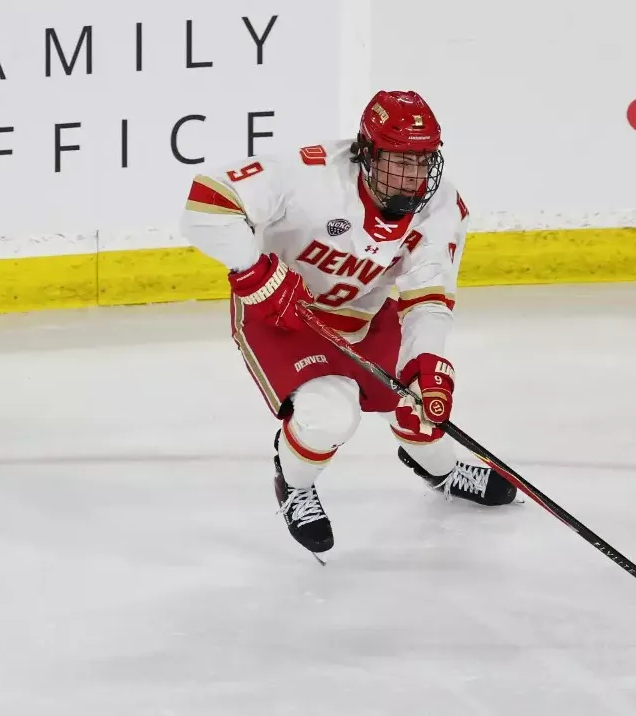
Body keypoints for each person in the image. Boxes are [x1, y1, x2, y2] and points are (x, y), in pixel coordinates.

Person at [179, 90, 518, 557]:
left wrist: (427, 360)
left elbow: (428, 295)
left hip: (363, 311)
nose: (411, 178)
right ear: (366, 152)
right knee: (330, 414)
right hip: (280, 317)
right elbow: (206, 207)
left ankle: (440, 469)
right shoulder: (309, 176)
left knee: (418, 404)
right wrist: (257, 269)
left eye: (422, 162)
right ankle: (294, 484)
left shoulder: (440, 205)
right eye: (398, 161)